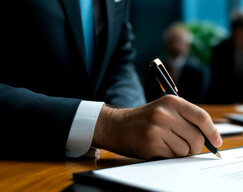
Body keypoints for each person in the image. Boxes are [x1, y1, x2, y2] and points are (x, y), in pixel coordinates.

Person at [0, 1, 221, 159]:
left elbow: (120, 59)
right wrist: (106, 125)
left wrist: (133, 122)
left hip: (99, 167)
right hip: (20, 163)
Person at [145, 24, 209, 104]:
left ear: (187, 45)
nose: (176, 45)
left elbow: (199, 100)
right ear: (166, 43)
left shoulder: (198, 71)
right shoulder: (154, 68)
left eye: (180, 41)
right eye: (173, 41)